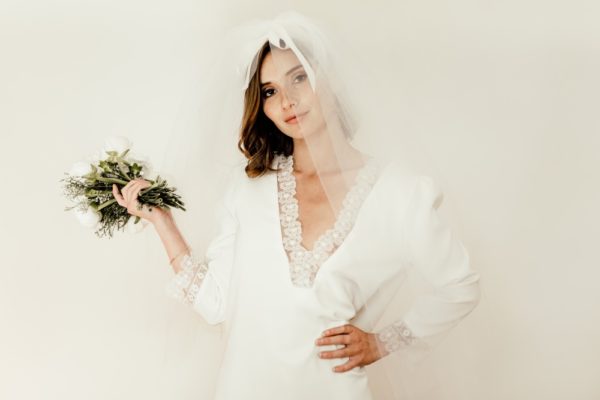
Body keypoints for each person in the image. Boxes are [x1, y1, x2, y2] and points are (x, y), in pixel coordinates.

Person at [112, 11, 481, 400]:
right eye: (269, 91)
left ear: (332, 79)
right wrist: (162, 223)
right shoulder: (248, 189)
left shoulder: (401, 194)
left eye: (299, 78)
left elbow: (460, 286)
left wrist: (381, 342)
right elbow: (217, 304)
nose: (286, 100)